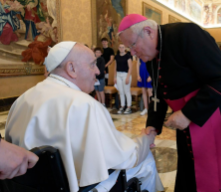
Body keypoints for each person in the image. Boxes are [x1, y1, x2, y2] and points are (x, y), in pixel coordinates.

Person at [118, 14, 221, 192]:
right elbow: (159, 92)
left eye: (133, 45)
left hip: (217, 108)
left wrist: (188, 113)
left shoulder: (186, 35)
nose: (132, 53)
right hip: (188, 115)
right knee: (192, 164)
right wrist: (153, 125)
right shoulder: (152, 54)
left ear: (148, 32)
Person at [5, 41, 164, 192]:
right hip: (80, 187)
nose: (97, 71)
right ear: (71, 68)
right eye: (92, 64)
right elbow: (124, 157)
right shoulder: (84, 104)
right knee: (146, 161)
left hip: (29, 188)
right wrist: (145, 140)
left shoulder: (22, 100)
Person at [114, 44, 133, 114]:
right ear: (118, 48)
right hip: (118, 75)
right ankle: (122, 106)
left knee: (126, 91)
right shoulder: (117, 56)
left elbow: (130, 67)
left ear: (125, 48)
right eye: (120, 47)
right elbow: (115, 67)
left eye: (123, 47)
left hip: (126, 75)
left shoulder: (128, 56)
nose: (121, 48)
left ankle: (128, 107)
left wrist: (128, 77)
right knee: (121, 92)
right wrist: (114, 77)